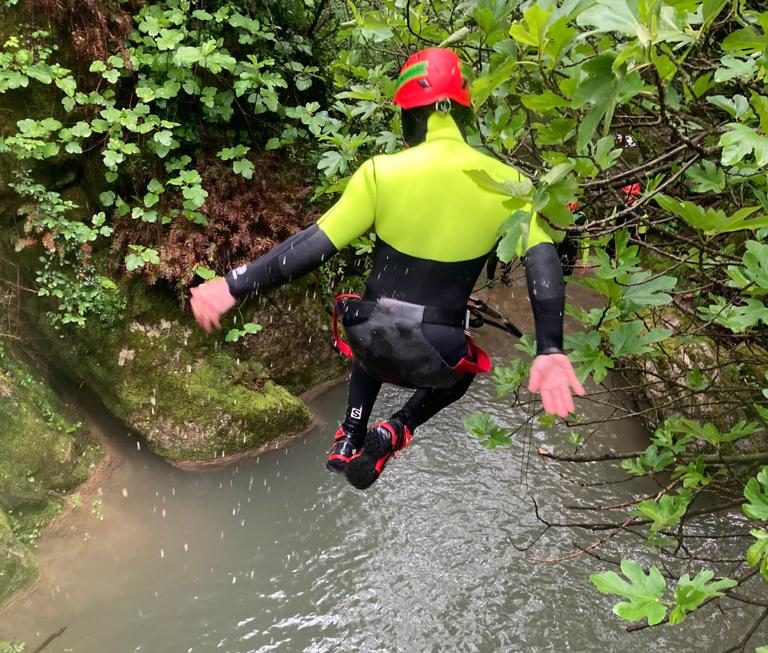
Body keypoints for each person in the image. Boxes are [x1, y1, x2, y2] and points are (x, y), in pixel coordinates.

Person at [190, 48, 585, 490]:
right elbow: (543, 257)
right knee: (463, 370)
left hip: (368, 332)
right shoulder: (509, 184)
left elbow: (310, 246)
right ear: (464, 112)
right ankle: (398, 426)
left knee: (372, 330)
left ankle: (349, 435)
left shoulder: (380, 172)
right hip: (438, 345)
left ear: (409, 115)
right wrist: (550, 347)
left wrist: (235, 284)